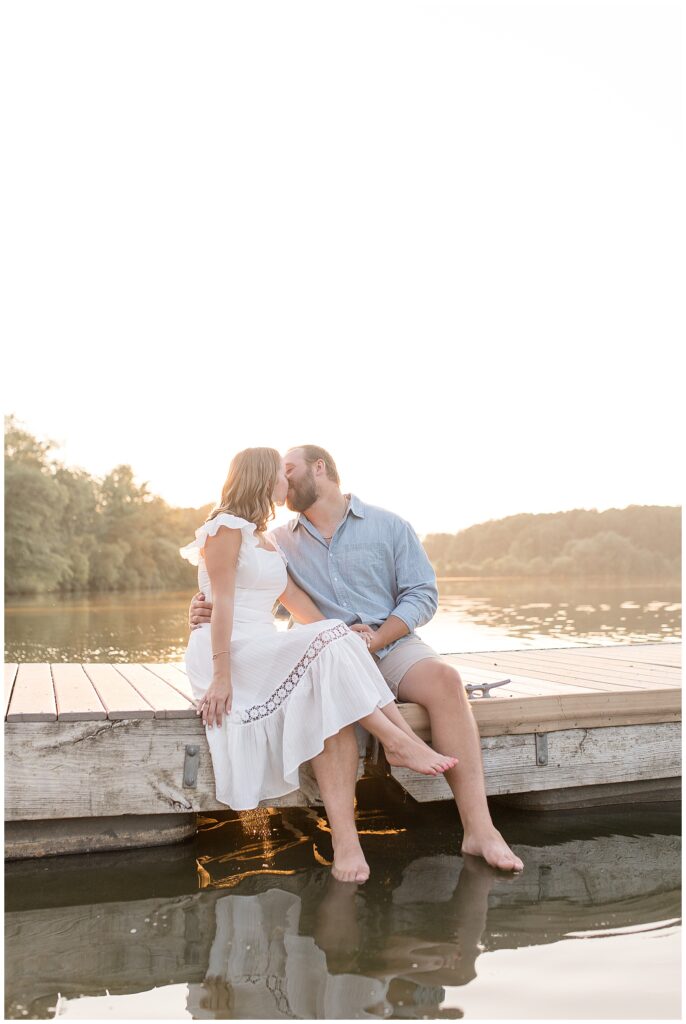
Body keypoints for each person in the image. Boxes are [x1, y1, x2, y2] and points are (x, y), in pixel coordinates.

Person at [190, 445, 524, 874]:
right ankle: (348, 843)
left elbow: (422, 595)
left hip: (387, 644)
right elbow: (245, 591)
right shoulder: (279, 538)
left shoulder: (387, 525)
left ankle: (481, 830)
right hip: (328, 651)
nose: (285, 480)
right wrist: (202, 607)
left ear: (320, 468)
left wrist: (373, 637)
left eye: (290, 470)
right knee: (330, 701)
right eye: (279, 473)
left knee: (445, 679)